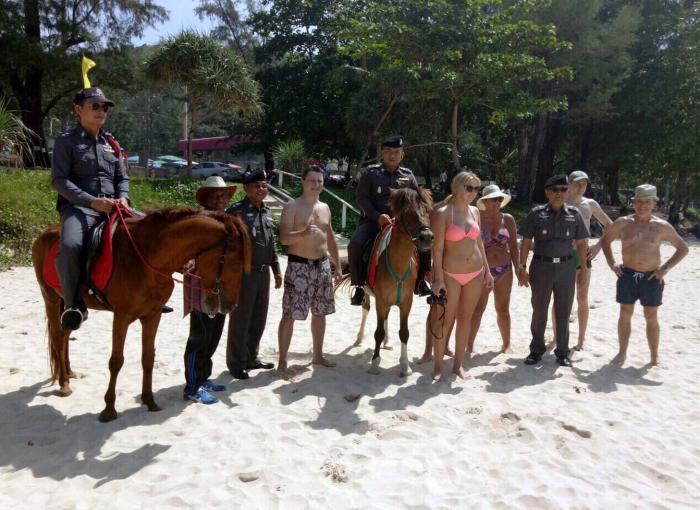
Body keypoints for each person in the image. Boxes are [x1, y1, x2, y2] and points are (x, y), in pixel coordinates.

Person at [51, 87, 129, 331]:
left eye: (104, 106)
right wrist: (91, 201)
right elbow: (59, 181)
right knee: (71, 244)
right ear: (78, 110)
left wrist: (124, 198)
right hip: (80, 208)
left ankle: (149, 294)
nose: (100, 111)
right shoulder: (66, 142)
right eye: (94, 106)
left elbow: (122, 178)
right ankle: (73, 304)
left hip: (115, 208)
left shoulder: (112, 143)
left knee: (153, 231)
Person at [600, 184, 688, 366]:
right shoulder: (623, 223)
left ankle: (654, 356)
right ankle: (622, 352)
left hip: (652, 277)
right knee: (625, 313)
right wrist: (611, 262)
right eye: (639, 201)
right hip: (627, 274)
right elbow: (606, 241)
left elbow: (682, 248)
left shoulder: (661, 226)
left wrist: (665, 268)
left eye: (647, 202)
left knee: (651, 316)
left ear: (654, 203)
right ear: (633, 202)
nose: (642, 205)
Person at [348, 136, 431, 305]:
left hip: (402, 225)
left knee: (426, 244)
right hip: (374, 221)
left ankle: (421, 282)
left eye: (396, 152)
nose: (392, 155)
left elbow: (417, 199)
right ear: (382, 154)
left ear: (402, 155)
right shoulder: (371, 173)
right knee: (355, 244)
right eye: (388, 152)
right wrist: (377, 216)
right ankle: (358, 286)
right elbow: (362, 198)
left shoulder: (408, 176)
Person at [518, 174, 589, 367]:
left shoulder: (574, 214)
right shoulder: (536, 213)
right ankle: (536, 350)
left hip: (566, 267)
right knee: (539, 309)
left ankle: (562, 352)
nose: (559, 193)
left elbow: (581, 244)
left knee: (564, 310)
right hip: (541, 267)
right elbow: (525, 242)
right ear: (547, 192)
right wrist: (522, 266)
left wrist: (582, 267)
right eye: (555, 189)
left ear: (567, 192)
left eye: (563, 189)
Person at [277, 166, 342, 372]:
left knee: (320, 313)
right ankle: (282, 361)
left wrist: (338, 265)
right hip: (299, 267)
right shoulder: (292, 207)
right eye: (312, 180)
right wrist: (302, 233)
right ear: (303, 182)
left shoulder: (325, 207)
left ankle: (318, 355)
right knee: (290, 314)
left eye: (320, 181)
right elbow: (284, 238)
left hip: (322, 266)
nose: (316, 184)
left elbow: (329, 237)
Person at [430, 171, 493, 380]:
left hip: (475, 272)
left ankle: (457, 365)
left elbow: (479, 243)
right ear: (456, 187)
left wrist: (488, 270)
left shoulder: (475, 212)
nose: (473, 193)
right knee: (445, 320)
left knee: (465, 319)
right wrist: (438, 278)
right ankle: (438, 366)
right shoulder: (443, 213)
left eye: (477, 189)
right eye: (469, 188)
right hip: (450, 274)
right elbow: (437, 249)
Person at [182, 176, 237, 404]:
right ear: (206, 197)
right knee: (199, 336)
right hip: (200, 286)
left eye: (223, 195)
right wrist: (190, 261)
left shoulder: (228, 220)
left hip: (221, 287)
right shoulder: (197, 220)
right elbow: (185, 250)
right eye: (215, 194)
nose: (220, 198)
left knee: (214, 335)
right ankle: (191, 387)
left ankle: (204, 377)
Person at [225, 169, 282, 380]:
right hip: (244, 272)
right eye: (257, 186)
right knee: (241, 317)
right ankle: (236, 362)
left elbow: (271, 243)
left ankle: (251, 357)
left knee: (259, 316)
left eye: (264, 185)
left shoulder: (266, 211)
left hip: (263, 272)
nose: (261, 189)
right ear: (246, 189)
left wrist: (276, 270)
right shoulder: (236, 211)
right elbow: (228, 243)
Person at [468, 184, 518, 354]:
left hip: (505, 269)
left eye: (499, 199)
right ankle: (469, 345)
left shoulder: (508, 219)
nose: (497, 202)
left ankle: (507, 344)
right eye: (493, 199)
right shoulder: (476, 218)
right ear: (485, 201)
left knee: (503, 309)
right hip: (483, 270)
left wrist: (518, 269)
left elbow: (514, 247)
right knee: (477, 310)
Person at [565, 170, 613, 350]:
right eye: (577, 183)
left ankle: (581, 339)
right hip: (563, 254)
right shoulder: (560, 201)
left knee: (582, 297)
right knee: (561, 298)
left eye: (584, 184)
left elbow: (609, 224)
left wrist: (598, 246)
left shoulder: (590, 204)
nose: (580, 187)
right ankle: (556, 337)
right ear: (569, 184)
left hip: (583, 255)